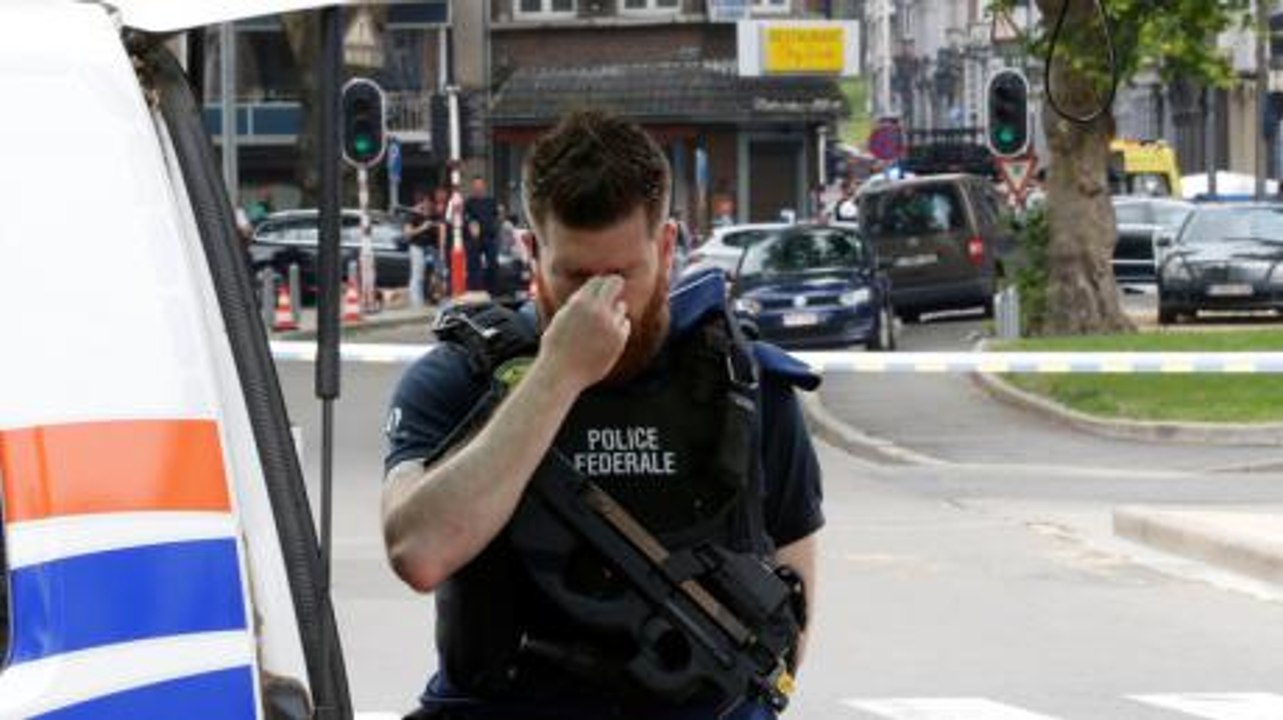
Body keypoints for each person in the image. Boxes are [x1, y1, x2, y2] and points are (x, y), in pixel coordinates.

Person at [381, 109, 824, 720]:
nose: (599, 299)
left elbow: (786, 618)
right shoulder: (461, 379)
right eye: (575, 276)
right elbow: (418, 551)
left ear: (667, 247)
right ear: (533, 253)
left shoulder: (742, 385)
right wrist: (558, 374)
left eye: (622, 274)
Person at [463, 175, 500, 295]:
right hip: (475, 238)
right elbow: (466, 218)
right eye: (476, 186)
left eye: (480, 185)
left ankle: (493, 290)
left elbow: (497, 215)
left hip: (489, 236)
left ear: (484, 186)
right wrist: (471, 225)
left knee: (493, 263)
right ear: (473, 187)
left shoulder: (491, 201)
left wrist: (497, 224)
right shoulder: (469, 203)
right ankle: (475, 289)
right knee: (474, 264)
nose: (478, 188)